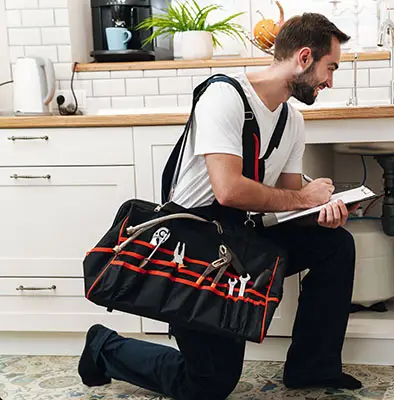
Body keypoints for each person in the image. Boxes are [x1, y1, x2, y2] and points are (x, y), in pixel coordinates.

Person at [78, 12, 362, 400]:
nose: (331, 81)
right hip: (197, 244)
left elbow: (291, 200)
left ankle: (311, 367)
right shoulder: (224, 97)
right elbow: (227, 190)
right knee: (207, 386)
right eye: (331, 68)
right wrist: (303, 199)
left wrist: (321, 211)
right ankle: (104, 347)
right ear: (305, 57)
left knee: (335, 245)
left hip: (246, 234)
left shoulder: (292, 120)